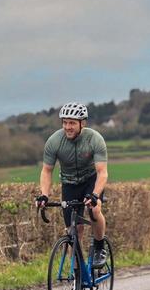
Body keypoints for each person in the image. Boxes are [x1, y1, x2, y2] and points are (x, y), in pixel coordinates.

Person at [35, 102, 109, 268]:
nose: (67, 127)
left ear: (83, 123)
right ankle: (77, 274)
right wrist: (44, 195)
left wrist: (95, 195)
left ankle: (99, 247)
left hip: (91, 181)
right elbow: (47, 171)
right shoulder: (54, 141)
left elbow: (102, 172)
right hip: (69, 184)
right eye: (65, 122)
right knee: (73, 231)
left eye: (72, 123)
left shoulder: (95, 139)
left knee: (95, 210)